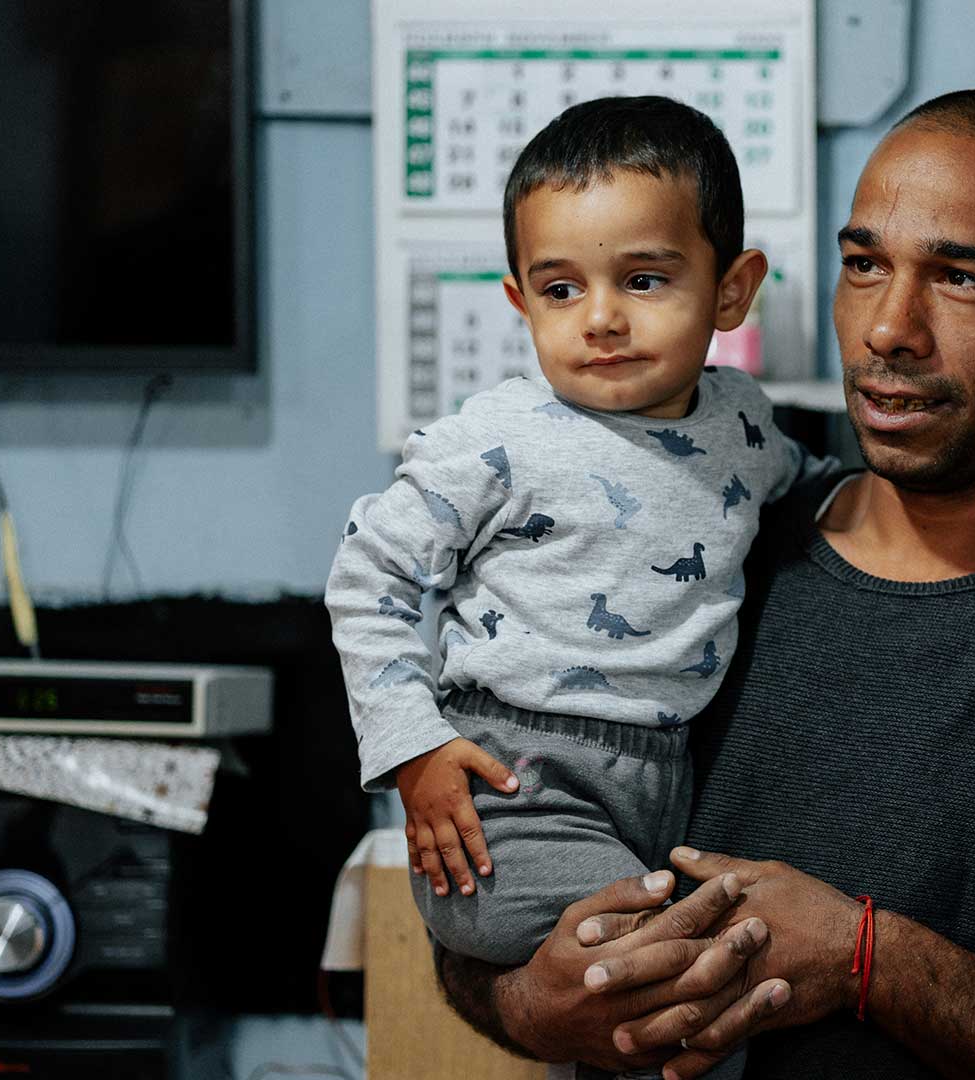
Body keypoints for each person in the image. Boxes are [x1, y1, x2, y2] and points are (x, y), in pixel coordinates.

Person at [432, 89, 975, 1080]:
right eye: (864, 265)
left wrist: (869, 960)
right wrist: (531, 1007)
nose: (889, 327)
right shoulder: (699, 565)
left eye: (961, 278)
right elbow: (487, 894)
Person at [326, 96, 825, 1078]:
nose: (600, 319)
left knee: (649, 1001)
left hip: (662, 781)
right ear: (518, 301)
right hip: (510, 791)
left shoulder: (746, 427)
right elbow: (369, 573)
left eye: (644, 279)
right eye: (561, 290)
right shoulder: (495, 440)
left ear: (732, 290)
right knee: (670, 964)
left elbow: (818, 497)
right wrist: (412, 746)